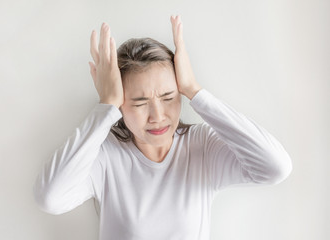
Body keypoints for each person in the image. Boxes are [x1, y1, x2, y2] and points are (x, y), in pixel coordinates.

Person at [33, 15, 292, 240]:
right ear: (121, 106)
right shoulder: (105, 156)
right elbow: (50, 198)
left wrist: (195, 91)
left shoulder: (201, 145)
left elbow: (275, 168)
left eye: (169, 98)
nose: (158, 116)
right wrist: (106, 106)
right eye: (140, 103)